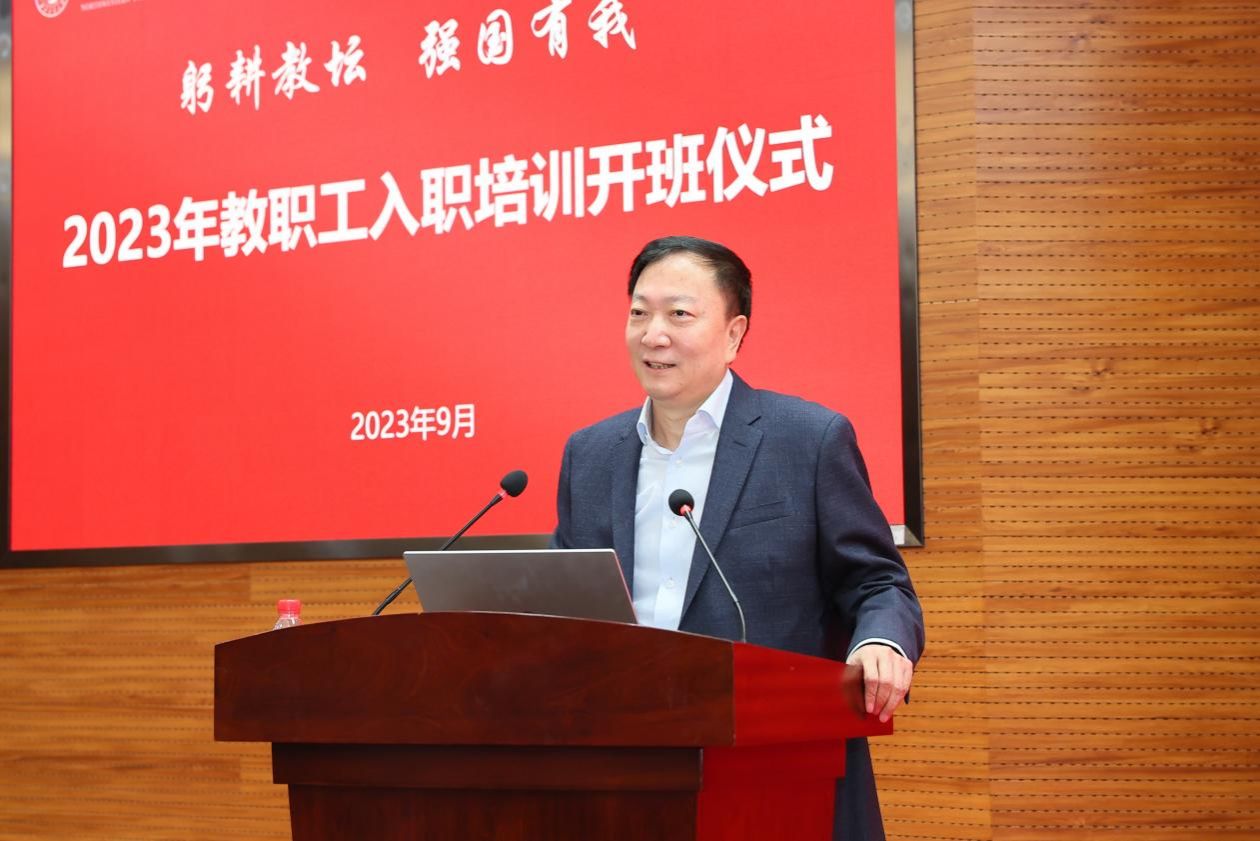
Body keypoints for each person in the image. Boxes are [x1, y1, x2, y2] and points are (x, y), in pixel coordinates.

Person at [551, 235, 924, 841]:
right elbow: (561, 600)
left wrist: (881, 641)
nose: (653, 335)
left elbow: (877, 580)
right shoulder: (589, 454)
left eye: (679, 314)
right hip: (622, 766)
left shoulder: (808, 439)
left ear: (733, 334)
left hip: (772, 765)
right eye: (639, 313)